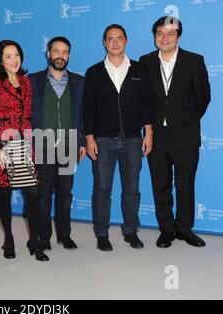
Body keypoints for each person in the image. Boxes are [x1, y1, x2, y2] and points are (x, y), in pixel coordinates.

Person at [139, 16, 211, 248]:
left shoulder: (194, 60)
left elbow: (203, 97)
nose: (164, 38)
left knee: (185, 183)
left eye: (170, 33)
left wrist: (187, 119)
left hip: (185, 134)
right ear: (155, 37)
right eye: (160, 33)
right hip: (156, 136)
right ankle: (167, 230)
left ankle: (185, 228)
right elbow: (143, 101)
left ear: (178, 36)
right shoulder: (145, 61)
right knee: (160, 183)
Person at [83, 24, 153, 252]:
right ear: (104, 42)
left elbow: (146, 104)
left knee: (132, 188)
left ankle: (130, 231)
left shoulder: (140, 70)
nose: (115, 42)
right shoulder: (94, 72)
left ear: (126, 41)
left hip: (133, 139)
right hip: (103, 139)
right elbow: (89, 108)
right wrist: (90, 138)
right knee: (102, 188)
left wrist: (148, 132)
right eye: (110, 38)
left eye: (119, 38)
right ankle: (102, 233)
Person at [0, 40, 49, 262]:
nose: (14, 59)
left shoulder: (25, 81)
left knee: (33, 194)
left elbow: (29, 115)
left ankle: (36, 241)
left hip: (25, 144)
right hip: (2, 144)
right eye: (8, 56)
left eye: (17, 54)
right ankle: (9, 239)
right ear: (0, 60)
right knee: (5, 194)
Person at [29, 36, 86, 250]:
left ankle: (64, 235)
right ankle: (44, 237)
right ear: (48, 54)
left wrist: (81, 141)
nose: (60, 56)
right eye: (56, 51)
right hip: (42, 145)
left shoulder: (79, 82)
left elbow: (82, 114)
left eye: (64, 52)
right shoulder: (33, 81)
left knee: (65, 194)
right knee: (43, 194)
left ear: (69, 55)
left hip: (69, 145)